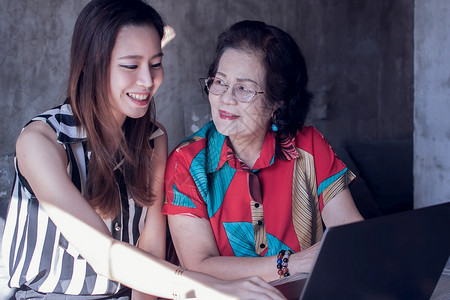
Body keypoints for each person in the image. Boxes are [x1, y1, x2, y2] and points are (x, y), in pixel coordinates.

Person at [1, 2, 286, 299]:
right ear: (90, 64)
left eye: (155, 63)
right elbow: (104, 254)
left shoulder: (153, 139)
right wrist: (215, 288)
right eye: (130, 65)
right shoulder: (42, 141)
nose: (148, 81)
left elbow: (151, 249)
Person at [163, 20, 365, 283]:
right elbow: (199, 266)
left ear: (277, 102)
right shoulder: (187, 161)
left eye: (244, 88)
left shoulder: (309, 147)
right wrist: (291, 263)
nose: (226, 97)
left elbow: (353, 238)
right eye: (220, 82)